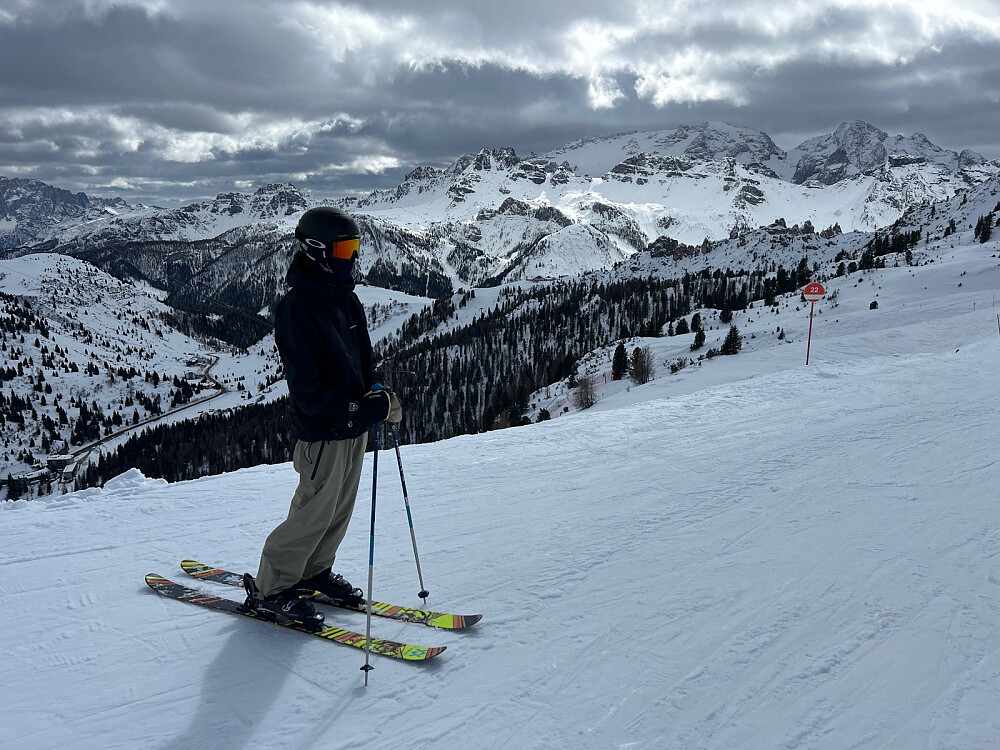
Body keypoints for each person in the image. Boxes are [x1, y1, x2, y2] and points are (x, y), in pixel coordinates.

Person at [243, 206, 401, 625]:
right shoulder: (296, 310)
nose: (353, 256)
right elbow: (307, 390)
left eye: (355, 248)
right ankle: (272, 586)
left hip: (353, 430)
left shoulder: (346, 300)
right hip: (323, 432)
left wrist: (376, 389)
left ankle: (313, 572)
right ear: (317, 250)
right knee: (312, 512)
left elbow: (363, 361)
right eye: (345, 248)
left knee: (338, 511)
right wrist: (355, 407)